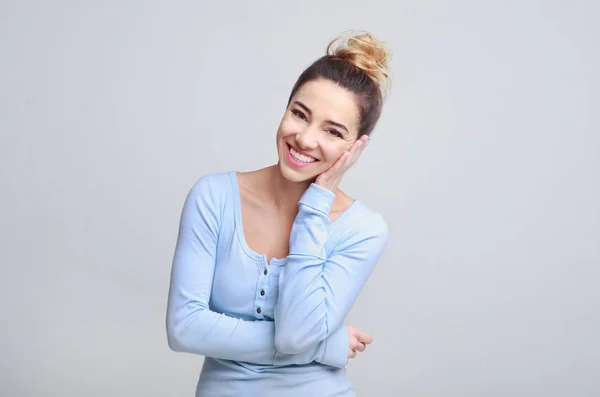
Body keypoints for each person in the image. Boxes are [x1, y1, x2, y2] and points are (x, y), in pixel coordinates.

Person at [166, 30, 391, 397]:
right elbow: (184, 328)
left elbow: (295, 334)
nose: (304, 139)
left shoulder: (364, 230)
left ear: (355, 147)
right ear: (285, 109)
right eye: (299, 114)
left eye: (332, 131)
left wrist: (317, 203)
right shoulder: (213, 197)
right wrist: (324, 346)